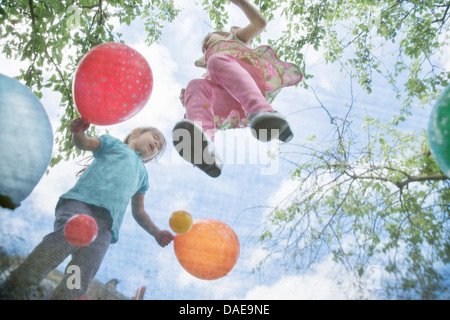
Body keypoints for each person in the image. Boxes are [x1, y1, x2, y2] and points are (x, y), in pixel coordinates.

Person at [0, 118, 174, 300]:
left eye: (159, 147)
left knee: (83, 270)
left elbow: (138, 211)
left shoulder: (143, 177)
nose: (156, 144)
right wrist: (78, 133)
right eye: (155, 137)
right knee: (62, 244)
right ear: (136, 132)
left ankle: (64, 297)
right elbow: (85, 143)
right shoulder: (113, 144)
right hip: (82, 205)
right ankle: (17, 284)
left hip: (106, 228)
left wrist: (156, 232)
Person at [173, 0, 302, 178]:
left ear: (225, 36)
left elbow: (260, 23)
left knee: (216, 61)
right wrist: (190, 99)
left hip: (250, 79)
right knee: (195, 85)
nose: (206, 46)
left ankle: (264, 112)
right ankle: (205, 146)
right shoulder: (211, 70)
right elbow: (205, 96)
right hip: (231, 103)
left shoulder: (234, 41)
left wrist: (240, 2)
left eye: (209, 41)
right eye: (204, 47)